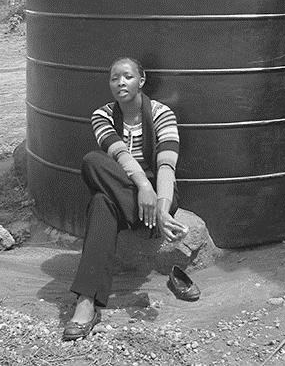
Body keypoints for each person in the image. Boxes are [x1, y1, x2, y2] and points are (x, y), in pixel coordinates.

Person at [63, 56, 192, 341]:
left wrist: (161, 205)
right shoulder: (103, 115)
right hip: (126, 184)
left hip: (160, 191)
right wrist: (142, 186)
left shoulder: (162, 113)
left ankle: (87, 302)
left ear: (141, 80)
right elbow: (119, 156)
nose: (121, 82)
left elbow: (167, 166)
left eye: (128, 76)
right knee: (93, 164)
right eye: (114, 78)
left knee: (100, 200)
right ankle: (86, 303)